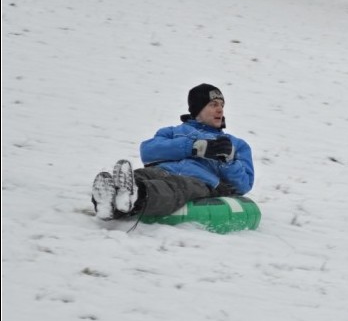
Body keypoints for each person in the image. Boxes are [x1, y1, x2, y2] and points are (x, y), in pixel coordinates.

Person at [91, 83, 254, 220]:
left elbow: (244, 185)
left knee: (174, 188)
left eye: (222, 105)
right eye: (213, 105)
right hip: (161, 170)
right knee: (141, 174)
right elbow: (148, 151)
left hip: (200, 180)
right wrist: (194, 147)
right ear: (198, 109)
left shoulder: (235, 144)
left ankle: (137, 194)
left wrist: (229, 161)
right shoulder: (172, 132)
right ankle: (109, 196)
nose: (220, 110)